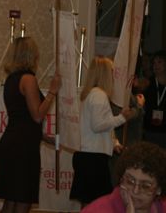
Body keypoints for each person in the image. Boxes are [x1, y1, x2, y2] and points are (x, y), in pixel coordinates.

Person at [0, 36, 61, 213]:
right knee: (23, 202)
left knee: (11, 202)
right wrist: (52, 92)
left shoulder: (11, 79)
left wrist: (46, 138)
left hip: (13, 143)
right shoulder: (28, 79)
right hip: (22, 148)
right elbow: (37, 116)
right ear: (30, 55)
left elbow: (22, 119)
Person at [70, 56, 135, 207]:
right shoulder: (99, 95)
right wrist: (122, 118)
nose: (113, 76)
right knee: (97, 203)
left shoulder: (90, 94)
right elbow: (98, 125)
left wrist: (114, 143)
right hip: (93, 158)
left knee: (89, 203)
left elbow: (96, 128)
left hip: (87, 155)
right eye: (111, 72)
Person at [81, 141, 166, 212]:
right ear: (121, 179)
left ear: (159, 189)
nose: (135, 191)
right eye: (130, 181)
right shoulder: (98, 210)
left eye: (145, 186)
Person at [143, 50, 166, 149]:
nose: (156, 65)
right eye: (154, 63)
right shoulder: (147, 84)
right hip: (149, 131)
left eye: (160, 62)